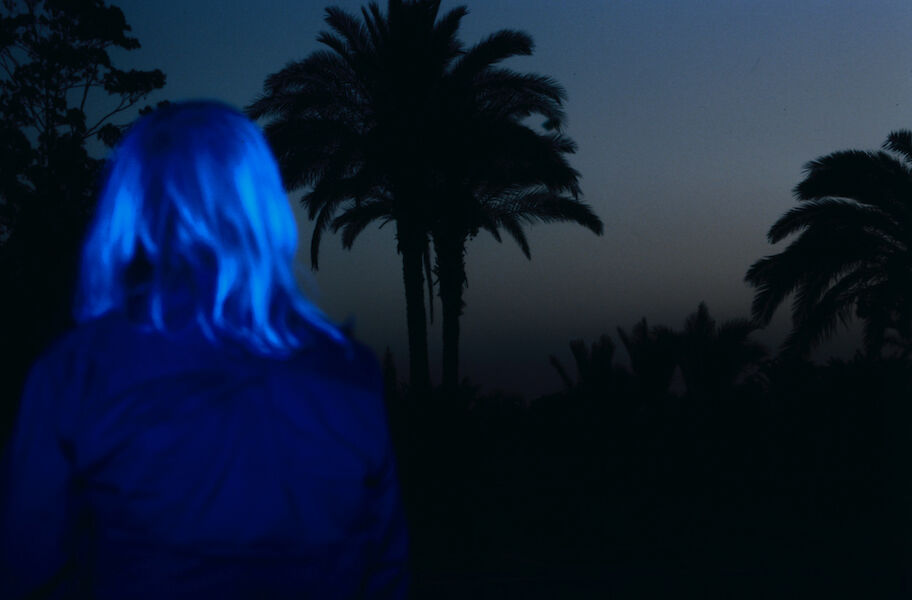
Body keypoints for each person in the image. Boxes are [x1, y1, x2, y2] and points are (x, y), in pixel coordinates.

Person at [0, 100, 410, 599]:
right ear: (261, 205)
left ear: (129, 206)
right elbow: (385, 574)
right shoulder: (351, 372)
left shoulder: (77, 372)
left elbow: (31, 573)